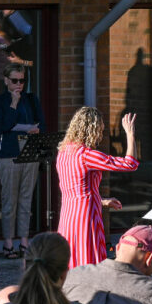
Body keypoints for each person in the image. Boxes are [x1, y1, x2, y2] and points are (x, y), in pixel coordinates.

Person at [55, 106, 139, 268]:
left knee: (71, 262)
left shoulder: (63, 152)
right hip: (85, 216)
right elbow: (130, 164)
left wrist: (102, 200)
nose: (100, 135)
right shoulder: (86, 155)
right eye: (99, 130)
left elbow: (76, 189)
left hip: (67, 216)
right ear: (92, 130)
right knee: (89, 261)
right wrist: (130, 134)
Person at [0, 62, 46, 258]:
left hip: (29, 150)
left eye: (22, 81)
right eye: (14, 80)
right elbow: (4, 125)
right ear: (6, 80)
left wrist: (30, 129)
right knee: (9, 200)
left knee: (26, 199)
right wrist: (13, 104)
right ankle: (8, 243)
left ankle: (24, 241)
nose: (19, 85)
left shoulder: (31, 99)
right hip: (9, 154)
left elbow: (41, 123)